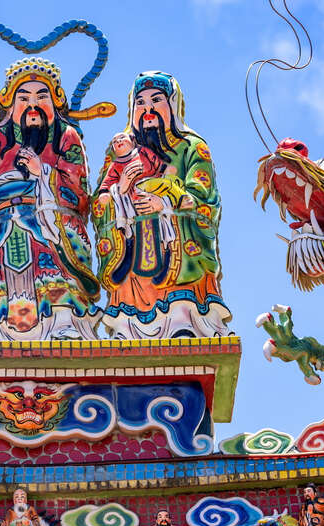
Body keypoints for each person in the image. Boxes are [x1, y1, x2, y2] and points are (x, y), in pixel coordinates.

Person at [0, 57, 101, 341]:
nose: (33, 105)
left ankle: (62, 318)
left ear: (54, 102)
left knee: (51, 253)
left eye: (41, 97)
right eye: (24, 98)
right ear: (10, 104)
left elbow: (78, 190)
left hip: (48, 217)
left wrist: (43, 172)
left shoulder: (66, 136)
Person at [93, 71, 231, 340]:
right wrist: (120, 190)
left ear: (173, 105)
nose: (148, 110)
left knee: (181, 309)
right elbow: (100, 205)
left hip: (175, 248)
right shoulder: (119, 151)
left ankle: (184, 319)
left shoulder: (192, 147)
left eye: (156, 100)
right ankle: (127, 325)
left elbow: (203, 199)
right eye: (140, 103)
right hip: (133, 242)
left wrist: (165, 203)